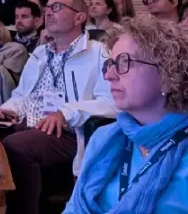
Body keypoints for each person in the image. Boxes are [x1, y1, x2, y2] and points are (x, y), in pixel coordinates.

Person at [0, 0, 116, 214]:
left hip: (70, 130)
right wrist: (7, 110)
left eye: (57, 7)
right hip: (30, 122)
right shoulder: (40, 53)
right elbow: (21, 94)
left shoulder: (98, 53)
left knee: (17, 145)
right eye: (47, 7)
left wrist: (66, 113)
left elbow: (111, 102)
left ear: (79, 18)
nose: (49, 12)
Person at [63, 16, 188, 214]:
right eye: (109, 64)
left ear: (168, 75)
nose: (109, 75)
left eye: (124, 62)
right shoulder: (103, 137)